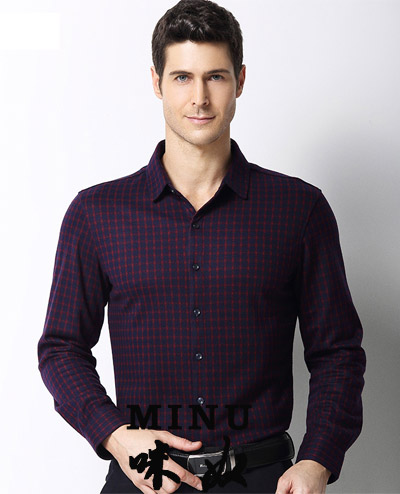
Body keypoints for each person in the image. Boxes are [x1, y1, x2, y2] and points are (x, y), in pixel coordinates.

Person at [37, 1, 367, 493]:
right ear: (156, 82)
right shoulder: (96, 213)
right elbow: (61, 347)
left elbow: (337, 351)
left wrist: (318, 459)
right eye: (182, 78)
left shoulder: (299, 209)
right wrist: (115, 435)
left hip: (264, 481)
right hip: (144, 479)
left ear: (240, 81)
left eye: (215, 77)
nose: (200, 98)